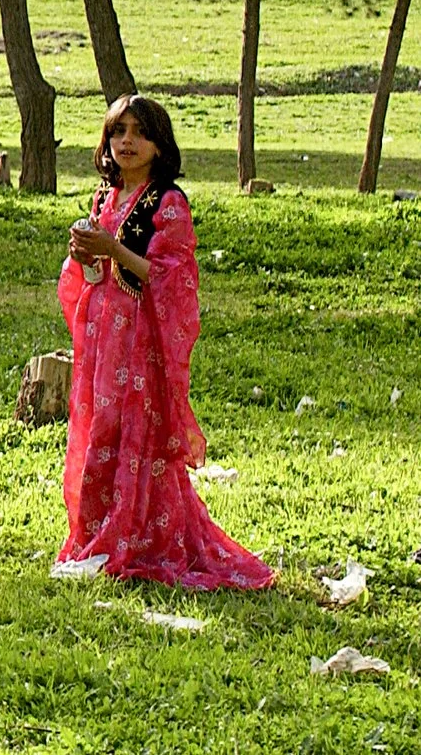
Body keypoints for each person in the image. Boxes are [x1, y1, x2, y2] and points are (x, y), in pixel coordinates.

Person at [57, 96, 271, 589]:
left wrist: (113, 249)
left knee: (139, 434)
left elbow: (170, 278)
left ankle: (141, 536)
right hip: (103, 337)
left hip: (143, 340)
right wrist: (85, 257)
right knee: (101, 432)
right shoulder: (103, 199)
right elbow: (93, 276)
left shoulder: (167, 203)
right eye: (119, 131)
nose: (127, 142)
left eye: (139, 132)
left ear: (159, 144)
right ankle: (99, 532)